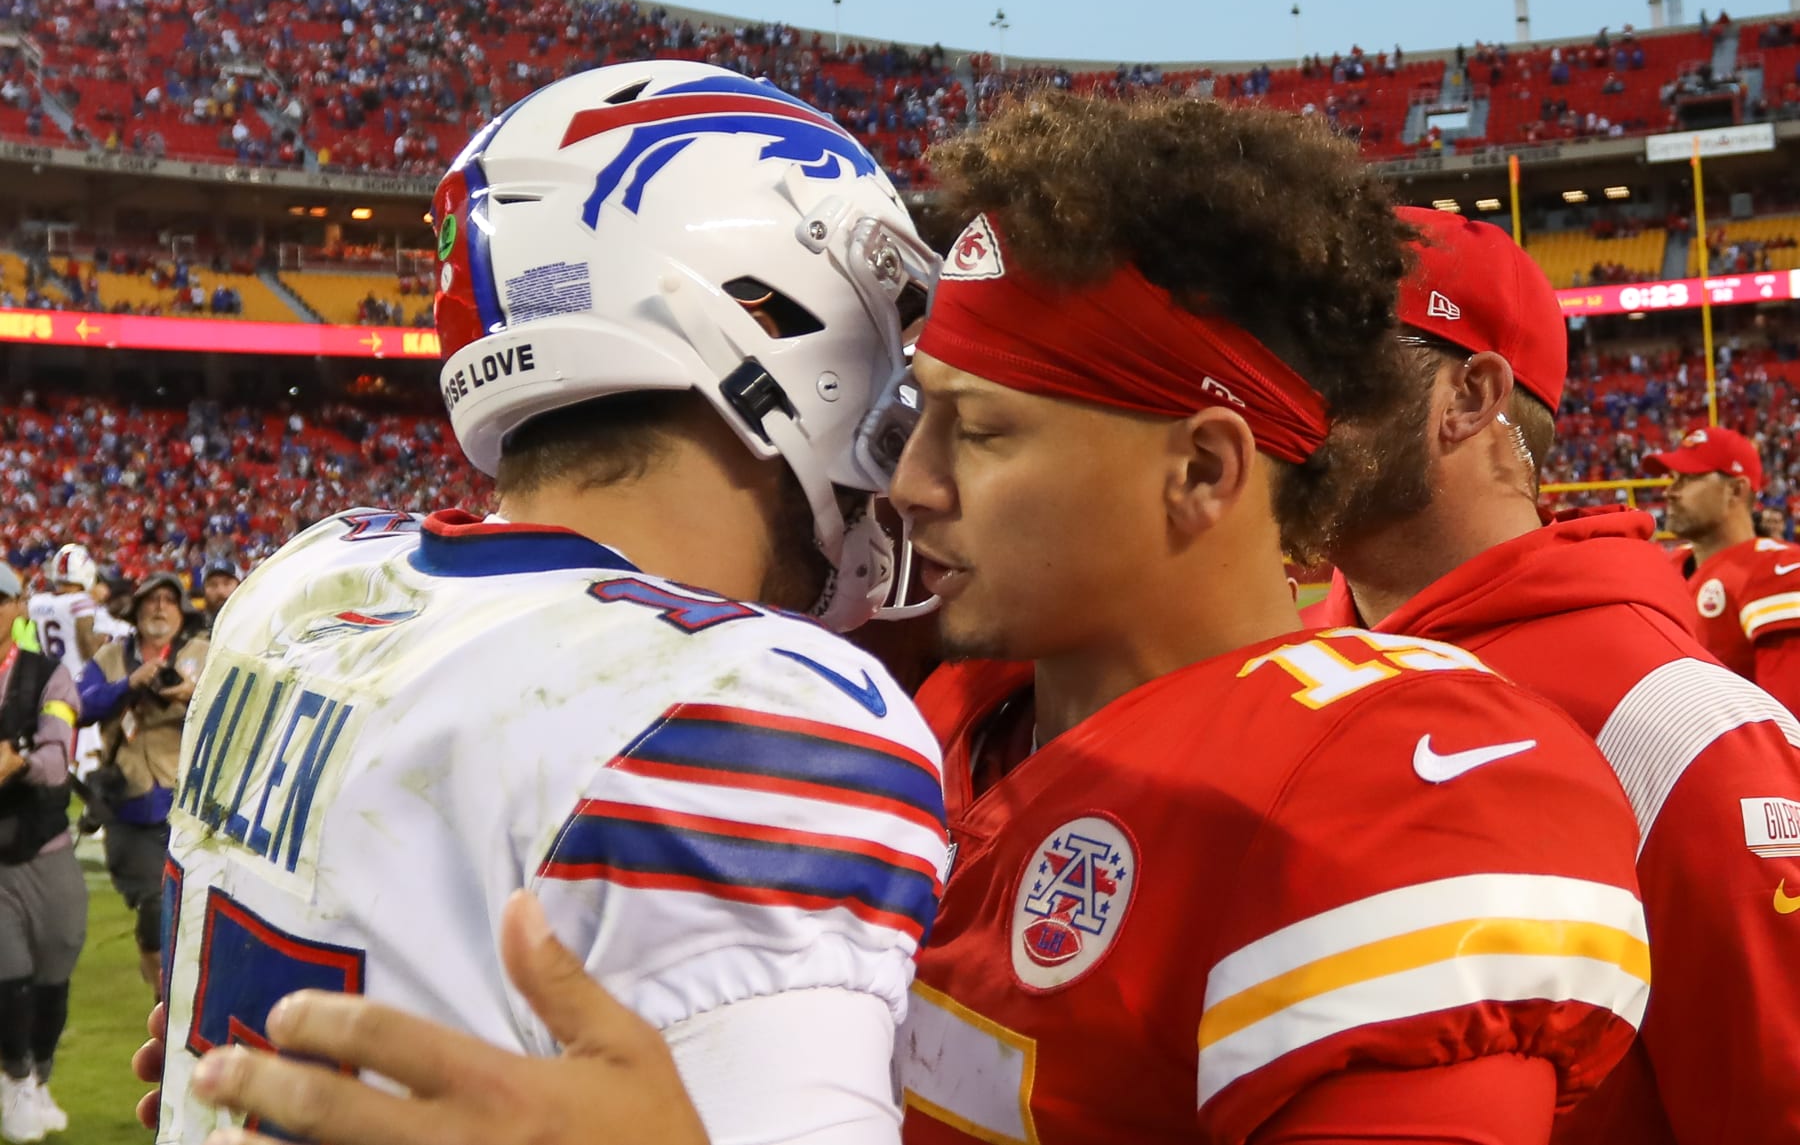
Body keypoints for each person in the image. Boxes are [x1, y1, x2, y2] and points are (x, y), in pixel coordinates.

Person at [167, 93, 1649, 1145]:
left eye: (979, 432)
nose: (908, 483)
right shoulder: (920, 704)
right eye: (911, 416)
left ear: (1201, 469)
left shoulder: (1403, 787)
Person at [152, 60, 947, 1145]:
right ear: (764, 316)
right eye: (881, 335)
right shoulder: (760, 705)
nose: (900, 394)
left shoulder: (306, 583)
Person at [1303, 208, 1800, 1142]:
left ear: (1468, 395)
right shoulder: (1274, 671)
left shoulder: (1675, 729)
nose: (1264, 390)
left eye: (1318, 346)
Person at [78, 574, 208, 987]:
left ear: (181, 611)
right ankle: (163, 1000)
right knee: (154, 907)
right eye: (151, 601)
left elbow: (238, 711)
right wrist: (128, 684)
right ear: (135, 612)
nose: (159, 607)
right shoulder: (111, 656)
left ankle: (183, 996)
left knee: (195, 911)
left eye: (169, 600)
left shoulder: (204, 654)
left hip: (191, 801)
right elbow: (79, 706)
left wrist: (193, 694)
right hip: (129, 803)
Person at [0, 563, 84, 1144]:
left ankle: (38, 1075)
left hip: (43, 842)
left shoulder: (50, 677)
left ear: (18, 607)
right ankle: (15, 1083)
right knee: (10, 978)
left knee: (55, 972)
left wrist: (18, 764)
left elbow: (58, 763)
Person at [1638, 426, 1800, 713]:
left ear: (1736, 490)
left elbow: (1789, 729)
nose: (1670, 491)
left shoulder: (1778, 572)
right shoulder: (1663, 567)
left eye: (1688, 478)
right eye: (1673, 478)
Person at [28, 544, 106, 780]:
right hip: (76, 681)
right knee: (83, 747)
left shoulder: (36, 601)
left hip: (45, 680)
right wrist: (103, 641)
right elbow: (86, 646)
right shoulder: (80, 601)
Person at [197, 561, 241, 628]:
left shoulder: (256, 624)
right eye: (212, 585)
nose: (220, 592)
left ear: (239, 586)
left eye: (227, 584)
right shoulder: (195, 629)